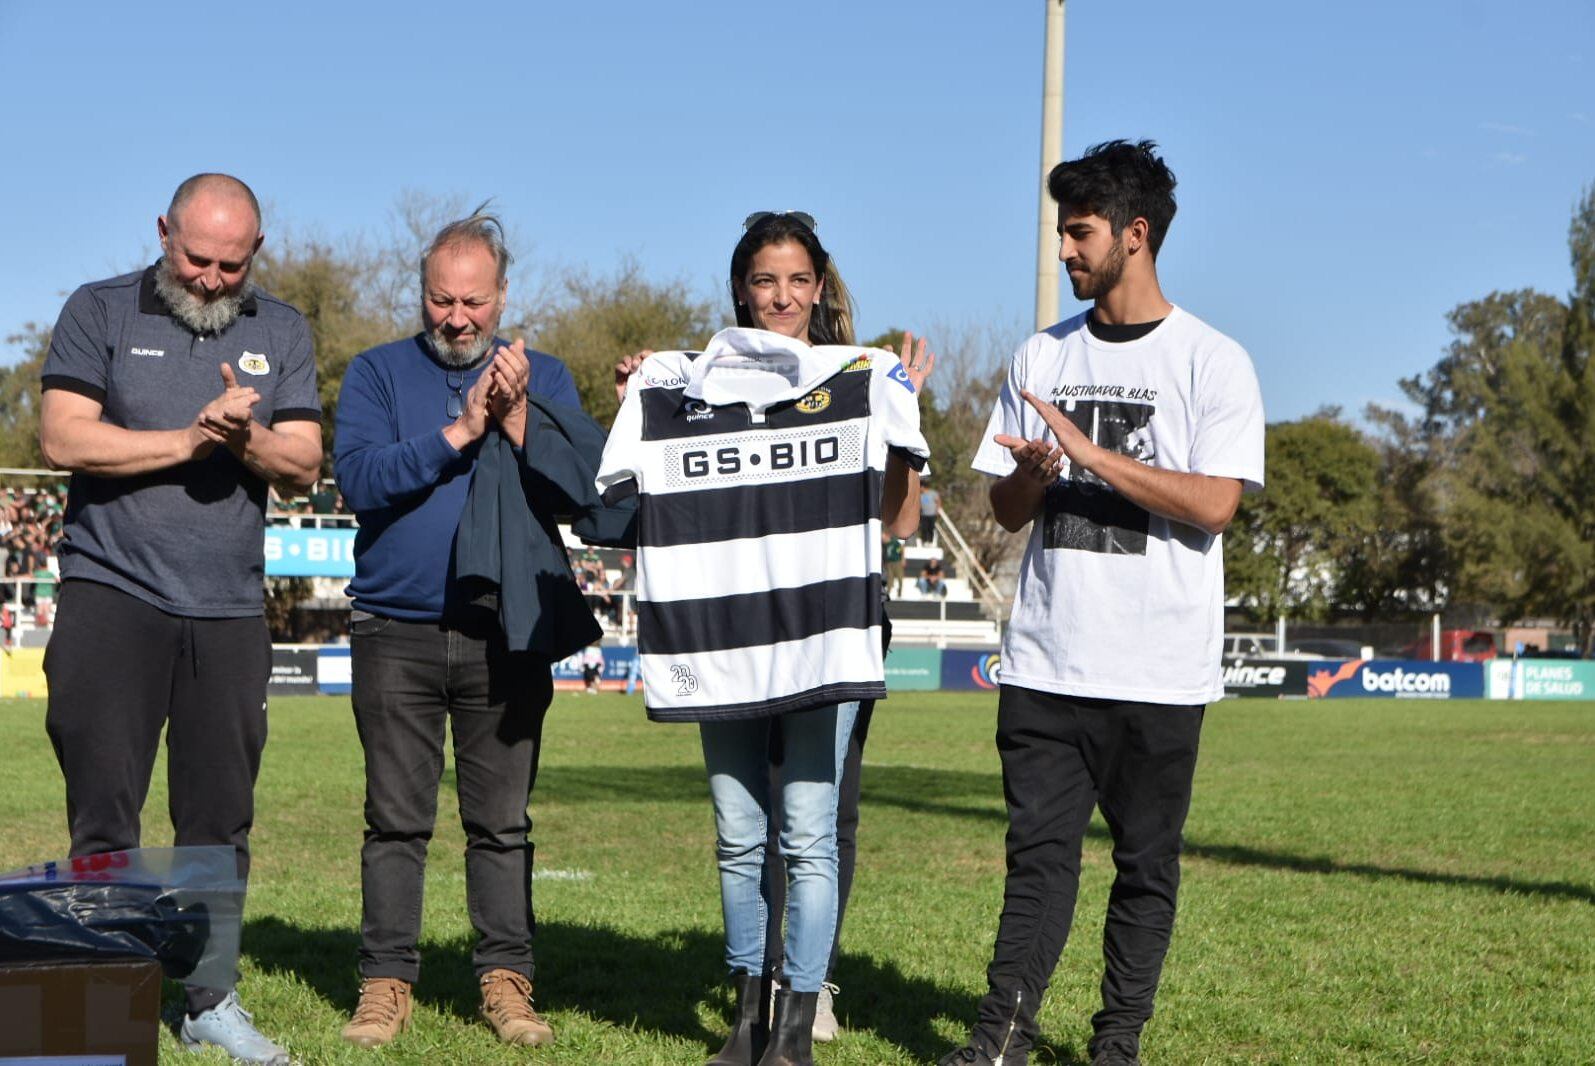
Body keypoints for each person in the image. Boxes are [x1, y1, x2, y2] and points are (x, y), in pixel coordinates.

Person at [944, 141, 1265, 1066]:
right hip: (1046, 658)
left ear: (1135, 234)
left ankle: (1114, 1043)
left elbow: (1213, 505)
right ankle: (997, 1041)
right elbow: (1002, 511)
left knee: (1143, 869)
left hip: (1159, 670)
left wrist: (1092, 459)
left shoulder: (1213, 361)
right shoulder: (1038, 354)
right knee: (1036, 861)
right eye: (1059, 230)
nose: (1063, 250)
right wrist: (1037, 476)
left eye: (1078, 231)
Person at [605, 211, 932, 1066]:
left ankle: (793, 1032)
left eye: (796, 280)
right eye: (763, 281)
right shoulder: (682, 383)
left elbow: (899, 521)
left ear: (818, 288)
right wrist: (644, 403)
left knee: (809, 833)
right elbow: (623, 491)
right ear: (739, 292)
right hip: (721, 637)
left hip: (824, 633)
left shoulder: (863, 379)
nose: (780, 297)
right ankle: (746, 1019)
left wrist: (903, 421)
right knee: (737, 835)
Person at [38, 173, 322, 1065]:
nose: (208, 279)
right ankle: (103, 1004)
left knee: (218, 820)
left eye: (229, 266)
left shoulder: (282, 329)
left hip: (230, 609)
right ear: (163, 232)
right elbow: (64, 436)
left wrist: (247, 441)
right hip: (110, 596)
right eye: (195, 258)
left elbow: (305, 462)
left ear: (257, 255)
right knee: (104, 815)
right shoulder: (101, 310)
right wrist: (191, 442)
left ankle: (209, 1001)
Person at [333, 208, 591, 1049]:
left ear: (503, 296)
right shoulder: (375, 373)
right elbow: (361, 482)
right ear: (422, 294)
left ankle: (507, 983)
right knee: (395, 822)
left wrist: (516, 420)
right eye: (442, 300)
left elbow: (585, 493)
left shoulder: (545, 375)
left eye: (474, 302)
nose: (457, 318)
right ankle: (384, 985)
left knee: (502, 823)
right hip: (392, 631)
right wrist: (460, 429)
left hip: (506, 632)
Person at [883, 532, 906, 599]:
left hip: (897, 562)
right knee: (889, 578)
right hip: (889, 563)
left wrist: (903, 559)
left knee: (900, 578)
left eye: (884, 538)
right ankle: (888, 593)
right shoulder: (885, 545)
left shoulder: (895, 543)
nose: (883, 539)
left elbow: (901, 549)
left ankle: (899, 593)